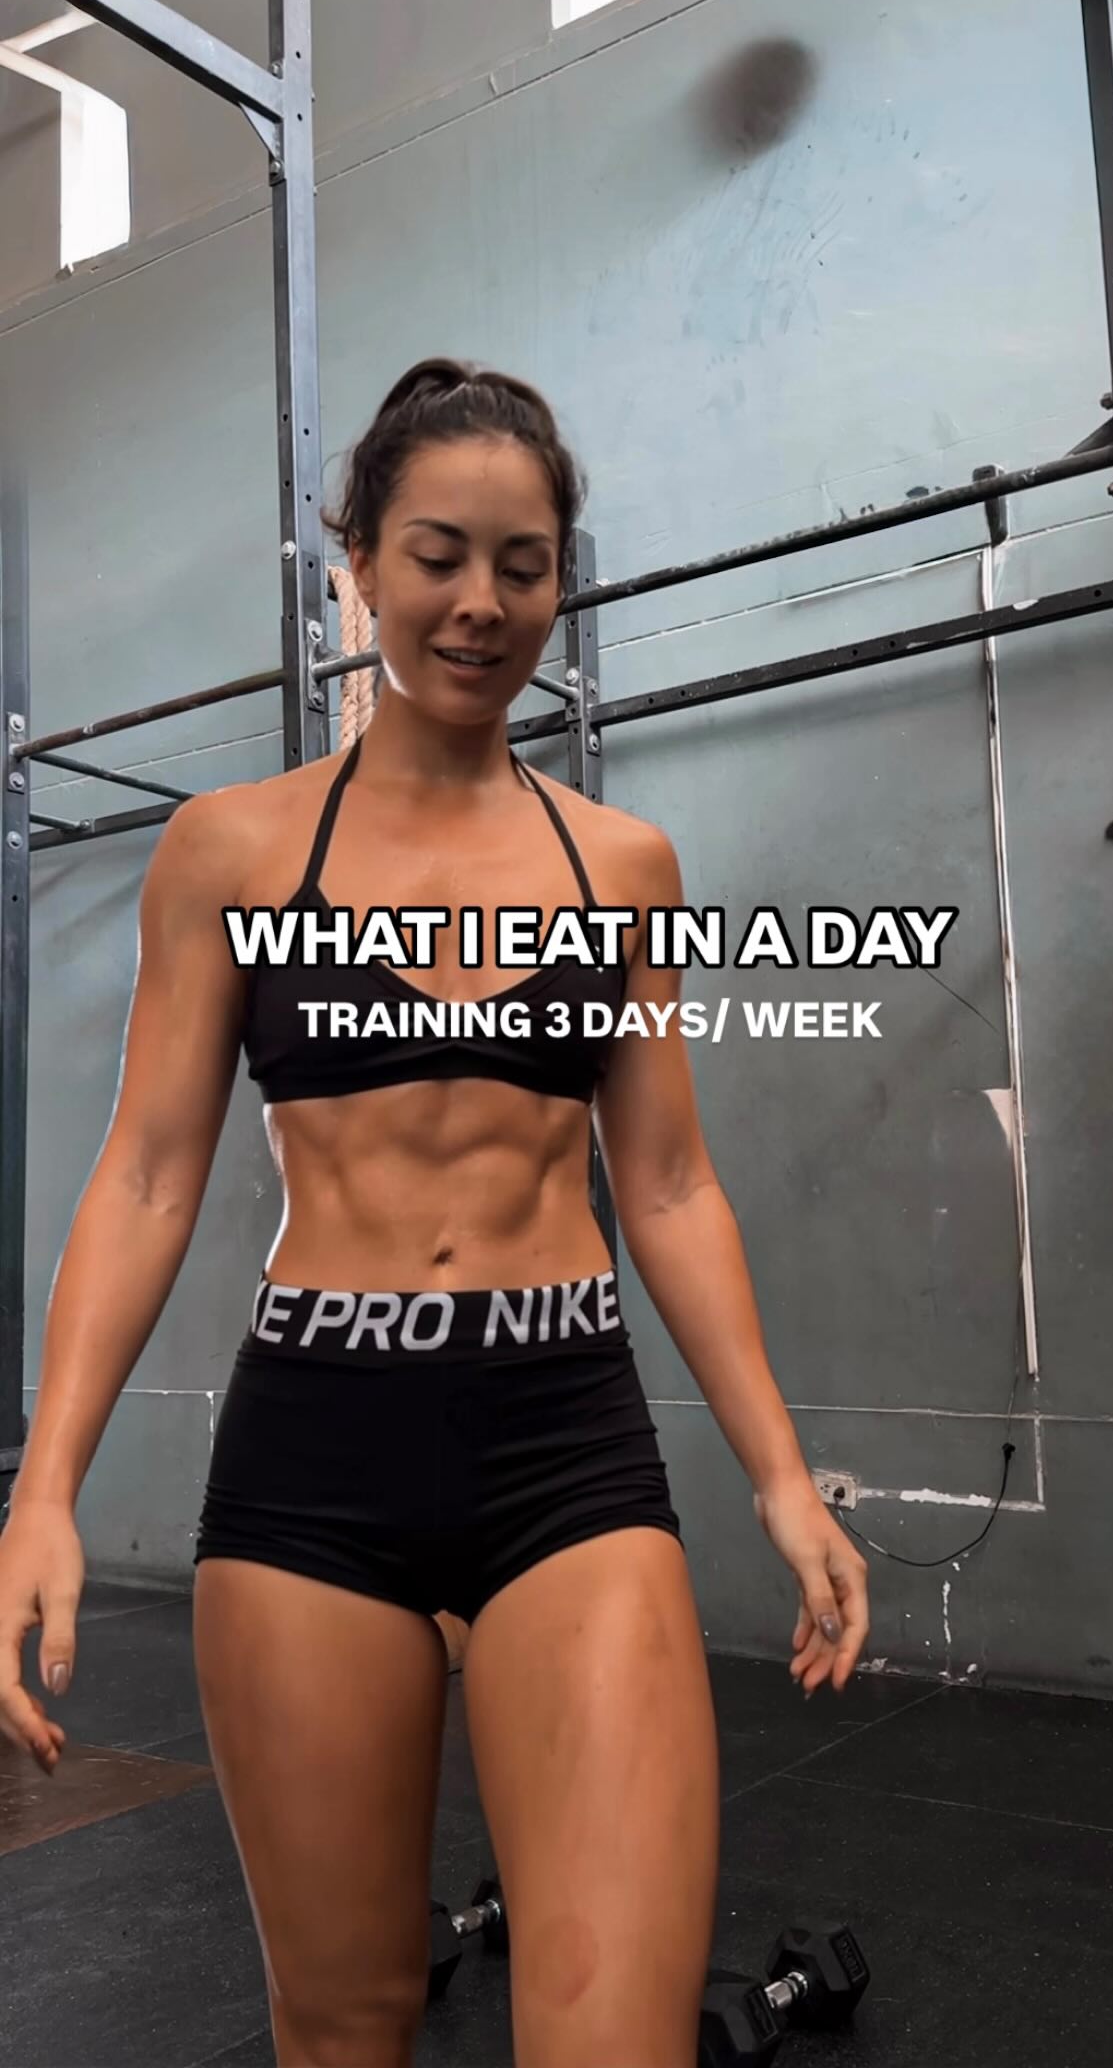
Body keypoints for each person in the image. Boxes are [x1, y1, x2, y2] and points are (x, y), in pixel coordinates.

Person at [0, 358, 870, 2068]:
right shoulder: (233, 853)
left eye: (522, 565)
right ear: (360, 568)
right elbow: (150, 1172)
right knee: (343, 2023)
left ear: (560, 581)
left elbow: (668, 1184)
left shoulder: (620, 866)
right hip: (313, 1461)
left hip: (566, 1446)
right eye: (438, 556)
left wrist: (781, 1474)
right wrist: (44, 1489)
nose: (482, 602)